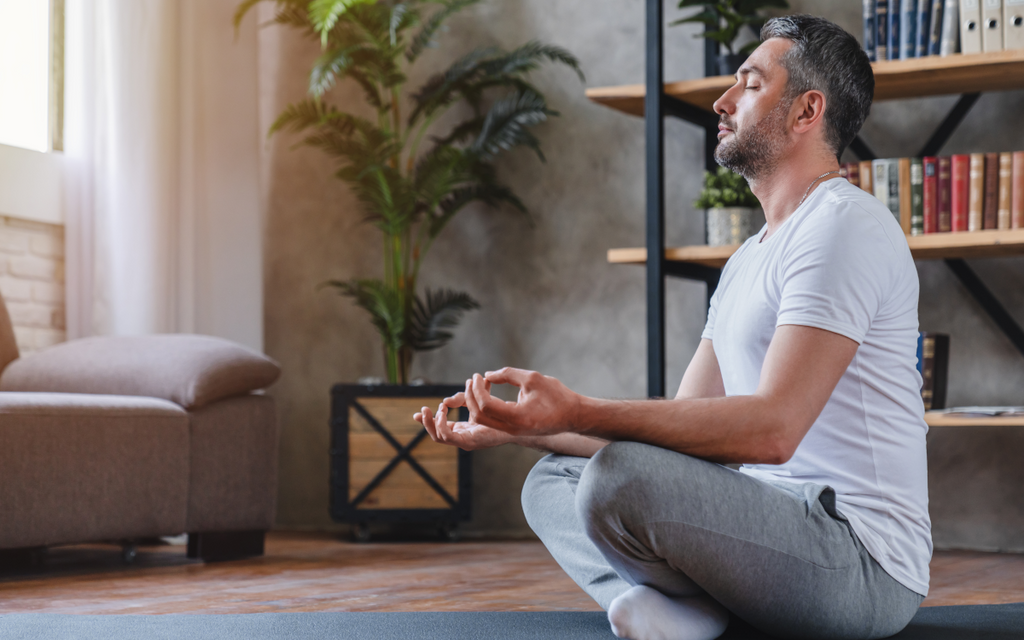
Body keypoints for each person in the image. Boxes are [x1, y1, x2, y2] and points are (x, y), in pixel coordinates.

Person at [414, 14, 930, 640]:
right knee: (550, 481)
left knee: (617, 480)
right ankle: (693, 614)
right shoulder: (748, 259)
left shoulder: (845, 225)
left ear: (805, 112)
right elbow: (683, 433)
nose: (722, 100)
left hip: (859, 566)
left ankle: (691, 610)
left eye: (749, 83)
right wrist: (531, 429)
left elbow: (772, 432)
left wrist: (575, 409)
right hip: (771, 538)